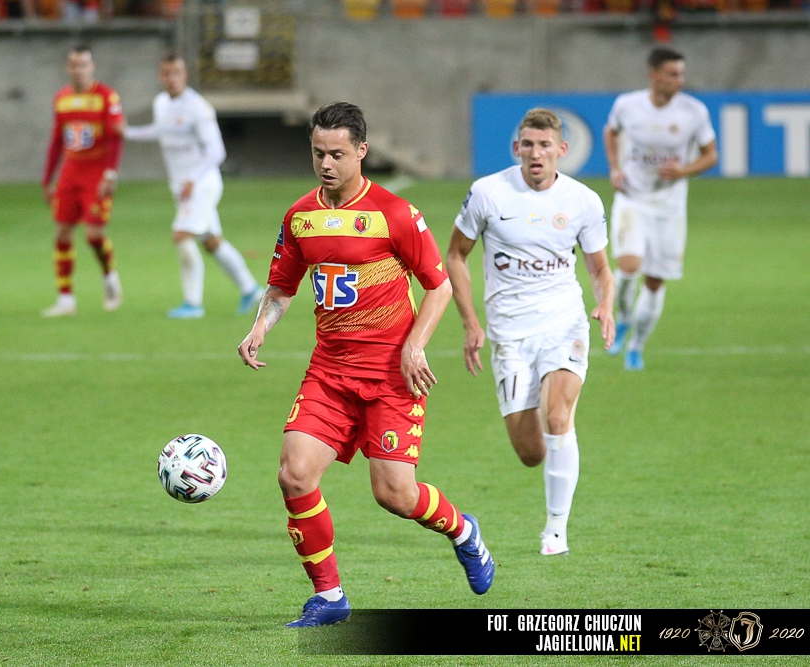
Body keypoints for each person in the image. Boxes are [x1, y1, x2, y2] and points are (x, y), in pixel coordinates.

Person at [238, 102, 494, 628]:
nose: (326, 163)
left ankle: (464, 531)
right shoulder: (300, 216)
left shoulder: (394, 214)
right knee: (294, 474)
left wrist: (415, 345)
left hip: (392, 377)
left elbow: (439, 286)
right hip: (329, 372)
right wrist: (260, 327)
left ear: (362, 151)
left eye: (337, 154)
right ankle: (329, 596)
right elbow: (282, 286)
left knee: (394, 495)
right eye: (318, 153)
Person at [446, 108, 615, 557]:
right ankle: (551, 454)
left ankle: (555, 531)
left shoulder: (583, 200)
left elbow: (600, 267)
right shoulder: (488, 193)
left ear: (562, 150)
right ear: (516, 148)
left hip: (564, 322)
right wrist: (470, 322)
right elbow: (456, 255)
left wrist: (605, 303)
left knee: (558, 418)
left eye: (545, 145)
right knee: (531, 453)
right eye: (528, 145)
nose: (536, 153)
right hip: (510, 334)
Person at [603, 47, 718, 370]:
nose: (680, 80)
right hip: (632, 197)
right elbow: (611, 132)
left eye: (681, 74)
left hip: (669, 207)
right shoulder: (627, 105)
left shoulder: (694, 112)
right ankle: (624, 316)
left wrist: (683, 171)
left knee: (654, 281)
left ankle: (636, 346)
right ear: (653, 75)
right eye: (673, 74)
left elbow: (711, 155)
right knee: (628, 266)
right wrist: (615, 168)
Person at [124, 54, 263, 319]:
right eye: (166, 73)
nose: (172, 78)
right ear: (160, 76)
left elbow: (217, 152)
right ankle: (251, 290)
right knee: (211, 242)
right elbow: (161, 131)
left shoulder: (198, 107)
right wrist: (127, 132)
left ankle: (193, 304)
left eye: (176, 72)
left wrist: (193, 178)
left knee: (182, 235)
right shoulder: (161, 103)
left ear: (185, 75)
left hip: (201, 184)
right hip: (183, 186)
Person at [41, 44, 125, 317]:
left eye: (83, 65)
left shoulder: (106, 96)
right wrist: (47, 180)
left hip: (96, 170)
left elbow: (116, 137)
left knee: (93, 235)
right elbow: (57, 140)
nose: (79, 70)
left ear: (92, 67)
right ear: (68, 68)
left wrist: (110, 173)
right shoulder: (61, 98)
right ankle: (65, 299)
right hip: (71, 170)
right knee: (62, 233)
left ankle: (110, 278)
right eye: (74, 65)